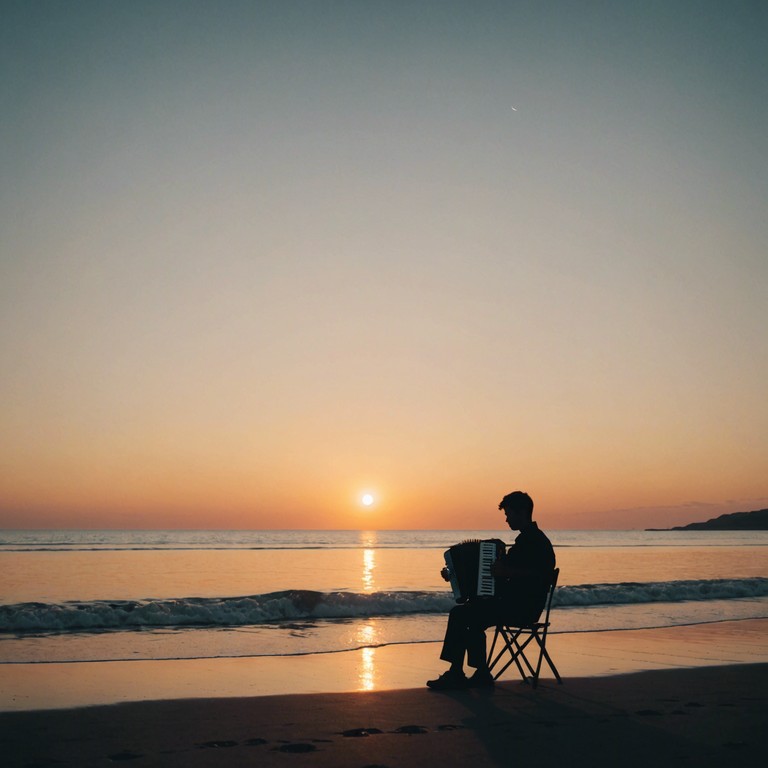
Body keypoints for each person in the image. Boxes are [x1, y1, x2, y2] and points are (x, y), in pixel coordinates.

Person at [427, 491, 556, 690]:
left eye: (509, 513)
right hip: (513, 603)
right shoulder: (526, 540)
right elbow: (499, 569)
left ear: (522, 512)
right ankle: (478, 673)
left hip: (524, 609)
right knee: (469, 612)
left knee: (462, 614)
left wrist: (507, 571)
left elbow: (540, 575)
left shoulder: (537, 542)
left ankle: (461, 673)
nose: (506, 519)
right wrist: (454, 573)